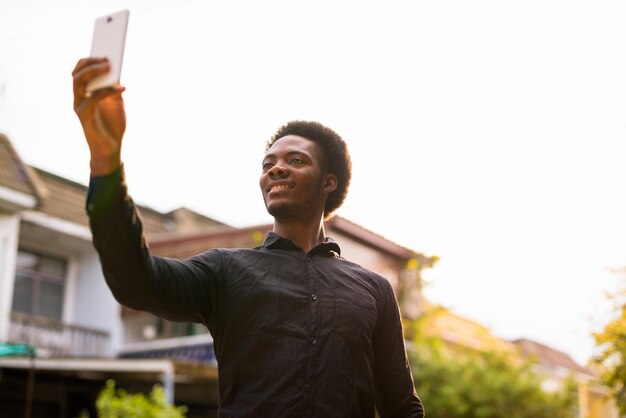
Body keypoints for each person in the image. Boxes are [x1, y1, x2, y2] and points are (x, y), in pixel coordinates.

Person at [72, 57, 424, 418]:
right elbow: (136, 282)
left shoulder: (374, 290)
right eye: (268, 163)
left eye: (296, 160)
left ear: (328, 183)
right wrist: (105, 158)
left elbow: (401, 406)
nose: (276, 168)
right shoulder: (226, 270)